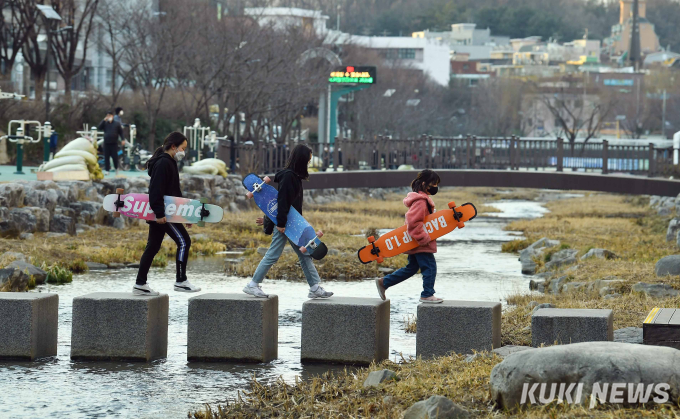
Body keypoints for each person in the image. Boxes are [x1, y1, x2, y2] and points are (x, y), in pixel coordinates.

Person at [243, 144, 333, 299]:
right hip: (286, 225)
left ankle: (315, 288)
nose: (308, 164)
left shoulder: (294, 177)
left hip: (292, 224)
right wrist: (281, 224)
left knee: (304, 255)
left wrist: (269, 221)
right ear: (301, 160)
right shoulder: (288, 176)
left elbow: (282, 205)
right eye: (308, 161)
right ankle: (252, 285)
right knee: (273, 254)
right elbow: (282, 201)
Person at [133, 132, 201, 296]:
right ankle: (181, 280)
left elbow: (174, 192)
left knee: (153, 247)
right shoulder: (163, 163)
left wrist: (186, 214)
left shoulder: (169, 162)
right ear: (173, 146)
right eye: (182, 148)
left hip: (168, 212)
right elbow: (155, 190)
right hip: (164, 213)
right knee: (184, 241)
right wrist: (159, 213)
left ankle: (140, 284)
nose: (183, 152)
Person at [375, 169, 443, 303]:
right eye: (433, 184)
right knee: (429, 266)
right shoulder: (421, 202)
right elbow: (413, 222)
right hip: (420, 242)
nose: (435, 187)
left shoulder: (421, 200)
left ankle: (384, 282)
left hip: (414, 241)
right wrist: (424, 238)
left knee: (411, 268)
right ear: (425, 184)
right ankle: (427, 294)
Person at [97, 110, 126, 176]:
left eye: (109, 115)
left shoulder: (117, 123)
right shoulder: (105, 123)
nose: (108, 117)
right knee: (106, 157)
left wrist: (123, 139)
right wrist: (104, 120)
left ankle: (116, 168)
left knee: (114, 157)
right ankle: (107, 170)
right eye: (107, 116)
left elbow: (121, 132)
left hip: (114, 143)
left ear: (112, 116)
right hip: (106, 143)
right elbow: (99, 127)